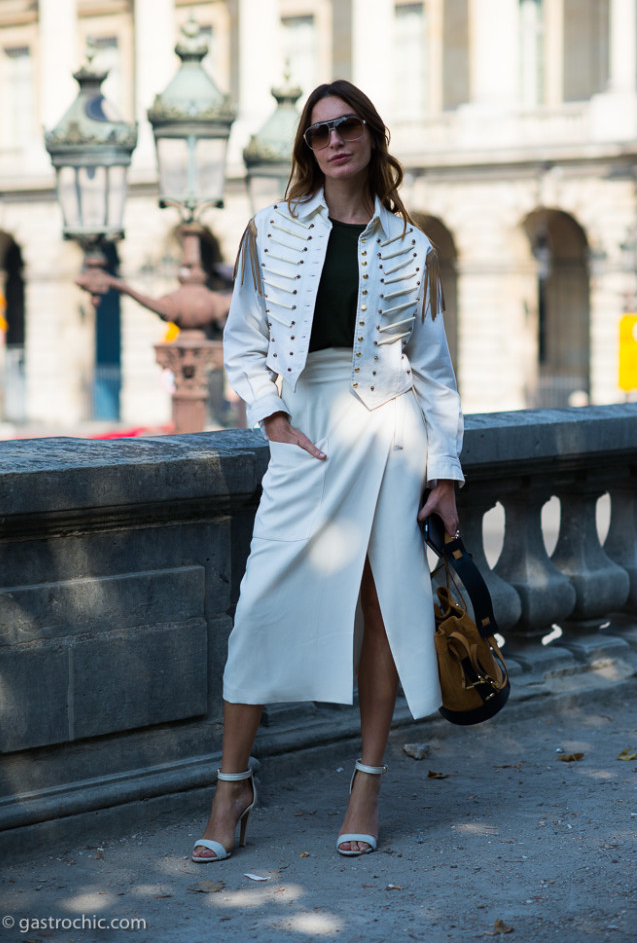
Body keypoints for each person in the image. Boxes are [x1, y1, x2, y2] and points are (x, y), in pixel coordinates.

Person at [192, 80, 464, 862]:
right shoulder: (268, 230)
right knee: (259, 606)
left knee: (381, 610)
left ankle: (367, 783)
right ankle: (231, 784)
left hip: (390, 433)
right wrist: (272, 418)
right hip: (303, 432)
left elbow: (435, 371)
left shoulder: (413, 248)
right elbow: (243, 341)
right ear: (306, 150)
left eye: (347, 127)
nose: (333, 141)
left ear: (372, 137)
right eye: (318, 133)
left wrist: (443, 477)